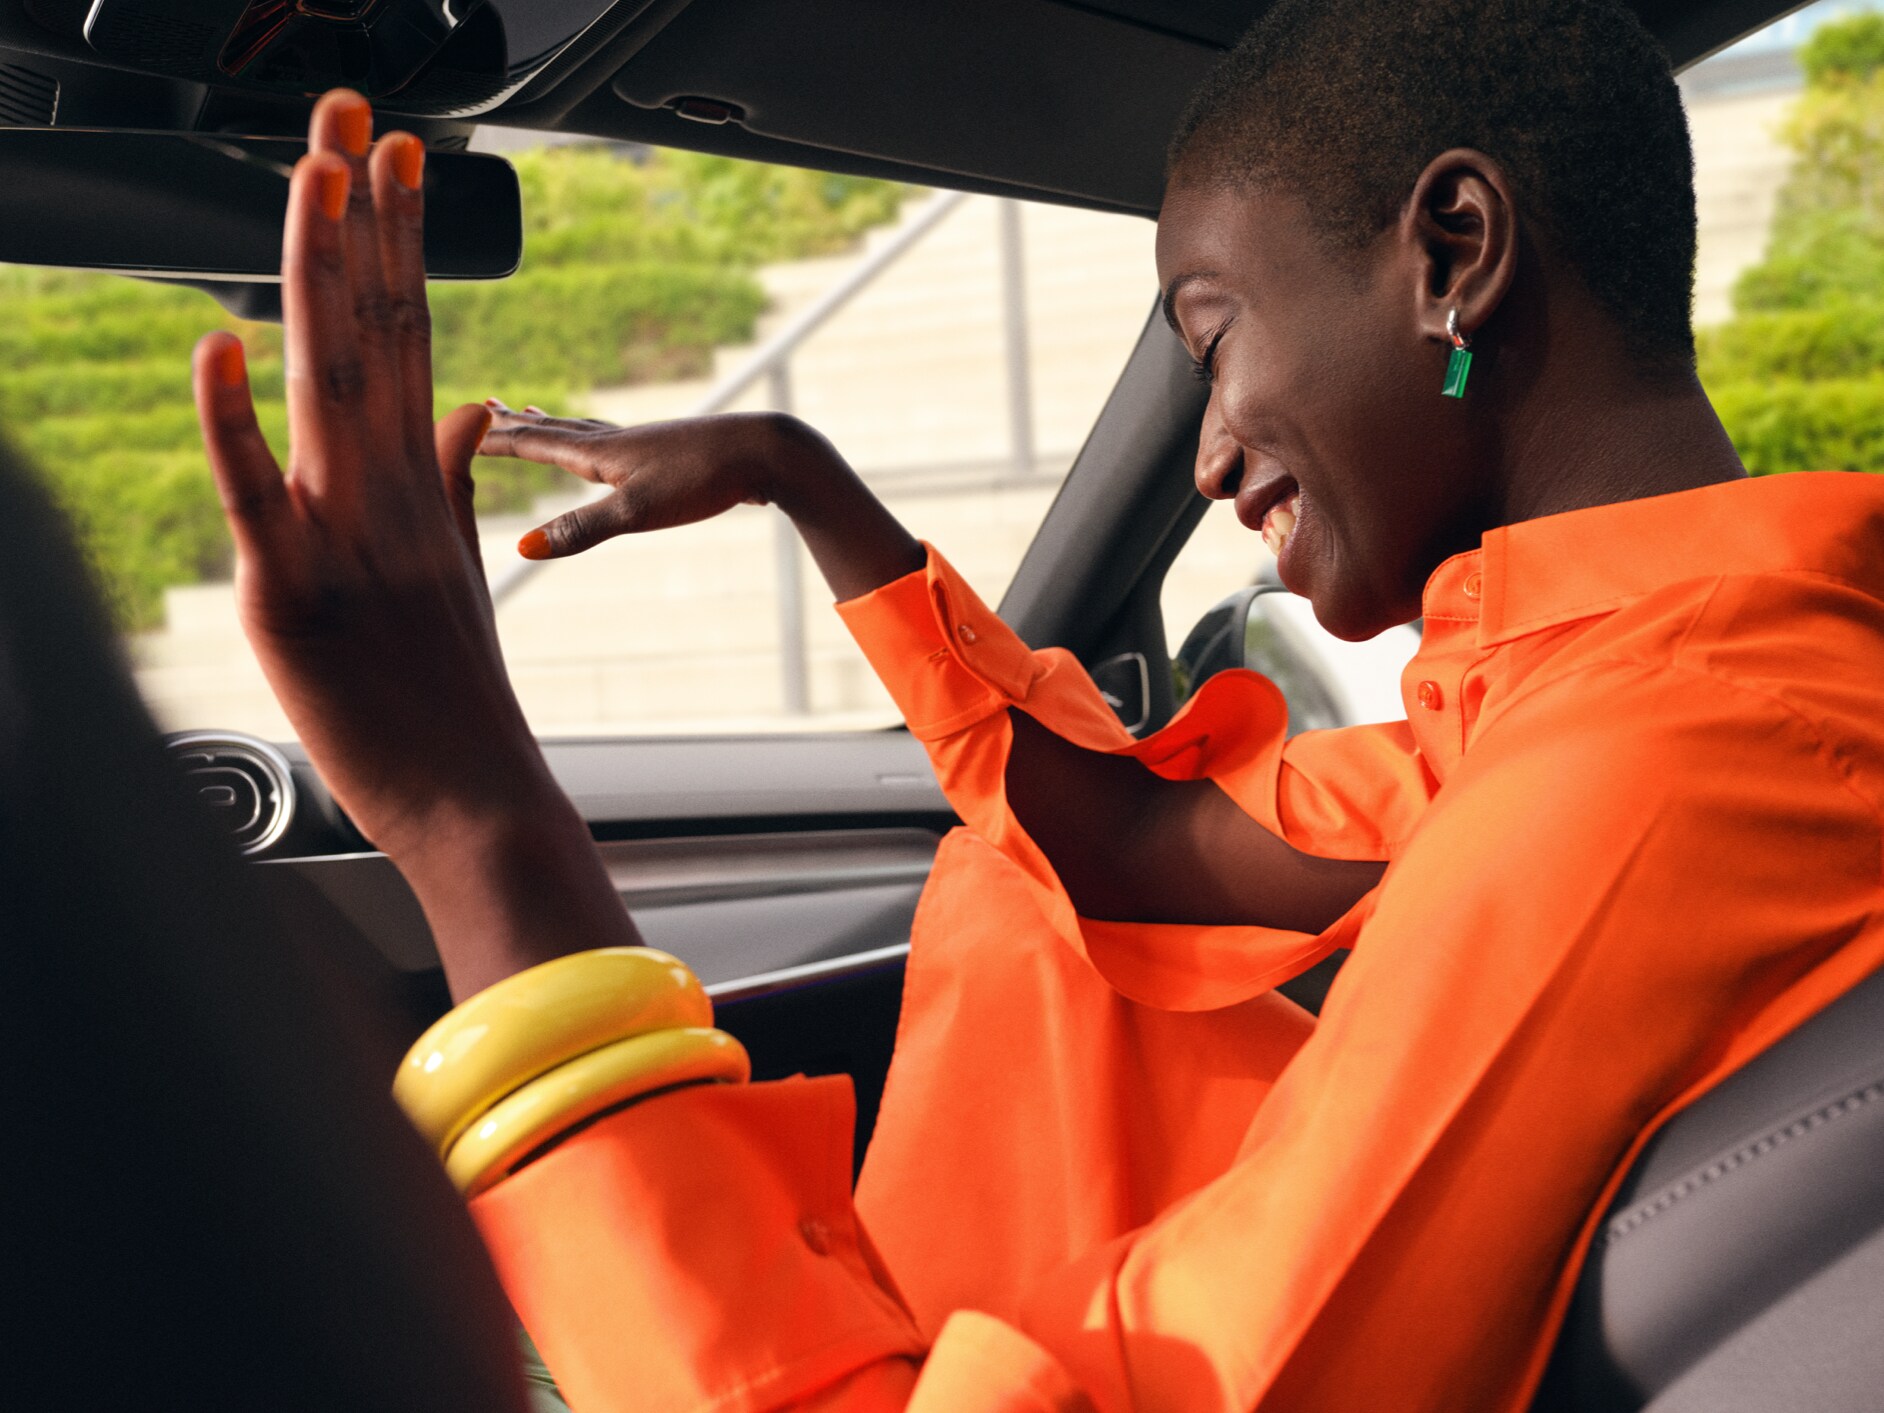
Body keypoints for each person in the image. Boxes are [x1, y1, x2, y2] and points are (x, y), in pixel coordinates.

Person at [190, 0, 1884, 1408]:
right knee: (1020, 894)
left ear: (1454, 251)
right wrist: (803, 478)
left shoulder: (1631, 784)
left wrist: (474, 823)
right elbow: (1135, 839)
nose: (1211, 450)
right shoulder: (1659, 682)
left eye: (1212, 340)